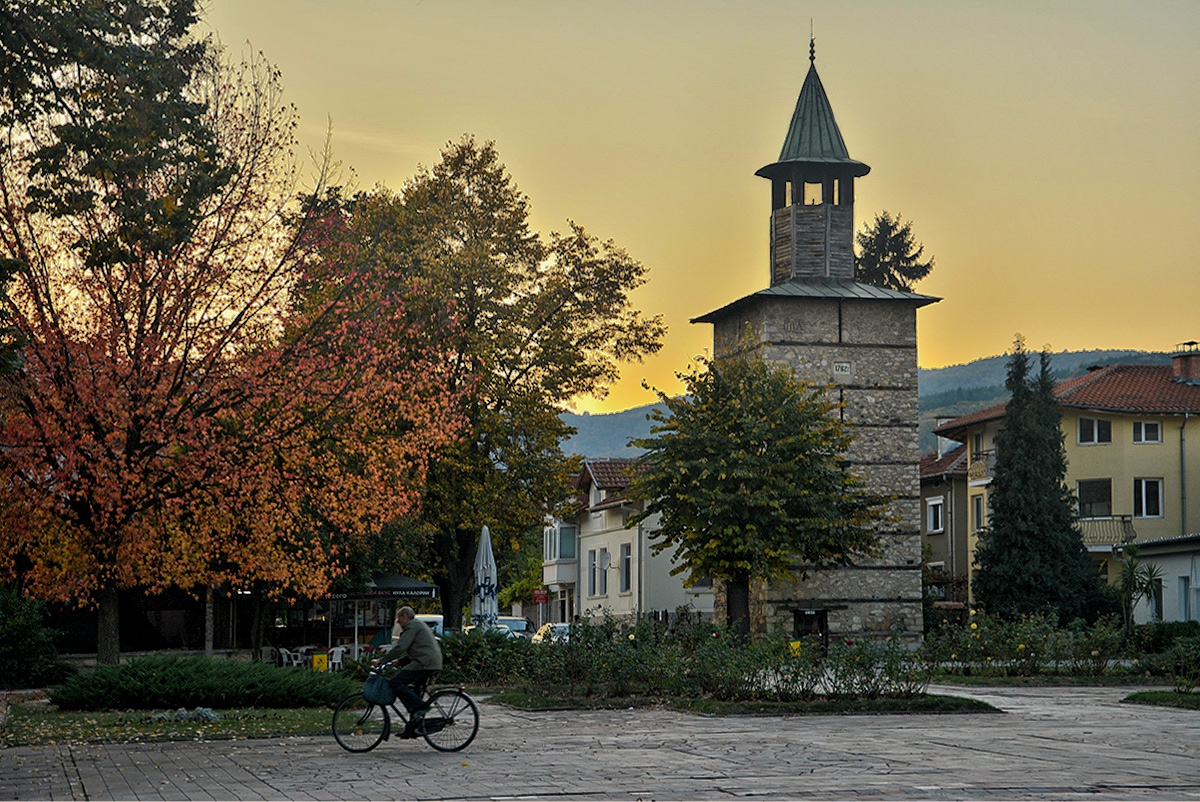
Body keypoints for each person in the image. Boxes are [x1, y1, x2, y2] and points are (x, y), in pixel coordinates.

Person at [374, 606, 443, 737]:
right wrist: (399, 662)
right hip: (430, 661)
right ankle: (412, 728)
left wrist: (382, 660)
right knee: (414, 692)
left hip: (425, 663)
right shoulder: (417, 625)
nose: (398, 622)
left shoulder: (412, 626)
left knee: (396, 682)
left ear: (405, 617)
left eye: (399, 618)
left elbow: (401, 647)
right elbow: (418, 649)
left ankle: (420, 707)